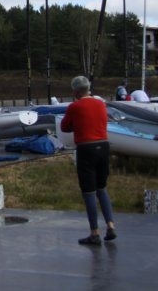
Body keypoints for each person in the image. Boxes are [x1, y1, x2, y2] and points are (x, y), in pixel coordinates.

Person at [60, 75, 116, 246]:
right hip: (104, 146)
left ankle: (94, 233)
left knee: (89, 192)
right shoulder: (100, 104)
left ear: (75, 91)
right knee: (102, 188)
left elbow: (64, 127)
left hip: (86, 148)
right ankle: (110, 226)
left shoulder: (75, 106)